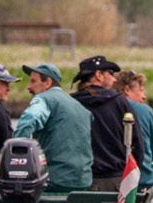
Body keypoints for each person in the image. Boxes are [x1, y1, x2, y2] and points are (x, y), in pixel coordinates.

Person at [10, 61, 93, 193]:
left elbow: (29, 120)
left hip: (52, 181)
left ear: (47, 82)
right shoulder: (80, 107)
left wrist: (16, 154)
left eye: (33, 81)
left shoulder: (44, 99)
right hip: (82, 181)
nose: (28, 87)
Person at [71, 54, 138, 191]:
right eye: (111, 73)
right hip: (117, 182)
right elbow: (137, 143)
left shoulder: (71, 103)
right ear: (99, 75)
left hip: (81, 181)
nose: (114, 79)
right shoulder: (120, 102)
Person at [113, 69, 153, 190]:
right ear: (127, 90)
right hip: (143, 178)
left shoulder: (106, 109)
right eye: (141, 90)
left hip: (112, 177)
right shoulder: (145, 111)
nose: (144, 96)